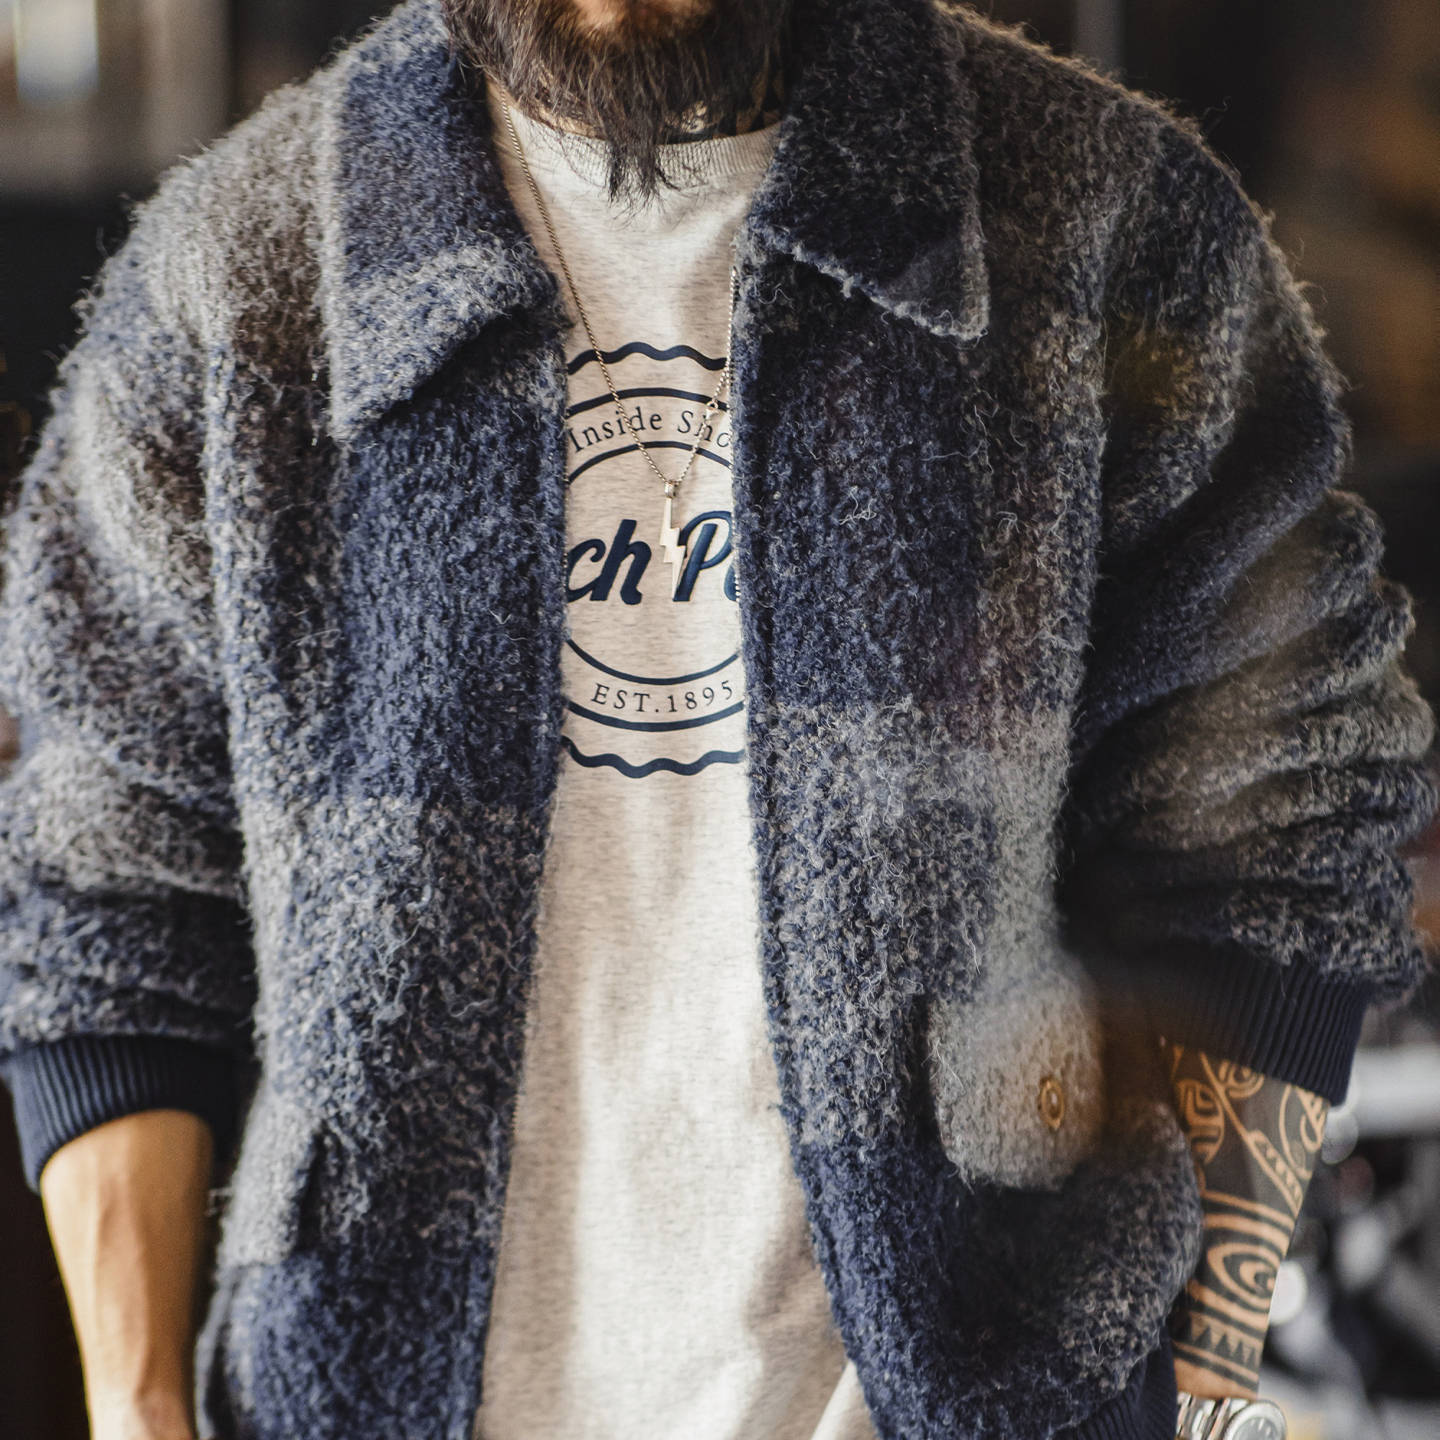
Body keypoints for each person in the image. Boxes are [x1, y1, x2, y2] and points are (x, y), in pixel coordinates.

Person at [0, 0, 1434, 1437]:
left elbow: (1285, 814)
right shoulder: (236, 273)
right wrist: (135, 1406)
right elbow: (105, 885)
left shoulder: (1104, 217)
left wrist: (1204, 1380)